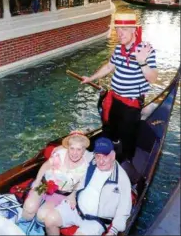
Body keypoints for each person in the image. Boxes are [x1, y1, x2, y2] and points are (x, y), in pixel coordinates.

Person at [81, 13, 158, 164]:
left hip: (131, 104)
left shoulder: (146, 50)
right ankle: (110, 153)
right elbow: (109, 66)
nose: (119, 33)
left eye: (124, 28)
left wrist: (142, 62)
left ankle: (126, 162)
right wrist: (91, 78)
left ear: (134, 30)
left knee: (127, 136)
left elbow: (153, 78)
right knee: (110, 130)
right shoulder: (118, 49)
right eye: (117, 29)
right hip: (115, 99)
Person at [44, 137, 132, 236]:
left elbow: (124, 210)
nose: (101, 161)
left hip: (96, 221)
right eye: (98, 156)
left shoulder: (122, 179)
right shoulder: (92, 160)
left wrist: (113, 231)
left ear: (113, 155)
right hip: (76, 209)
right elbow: (78, 150)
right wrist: (62, 147)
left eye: (105, 156)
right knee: (49, 220)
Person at [17, 130, 93, 234]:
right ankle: (21, 229)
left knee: (41, 216)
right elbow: (46, 166)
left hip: (60, 195)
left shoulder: (85, 166)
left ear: (84, 150)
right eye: (72, 148)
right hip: (44, 185)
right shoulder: (60, 153)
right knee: (29, 208)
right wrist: (38, 181)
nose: (75, 153)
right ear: (68, 147)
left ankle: (36, 229)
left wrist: (72, 195)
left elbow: (80, 183)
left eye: (79, 149)